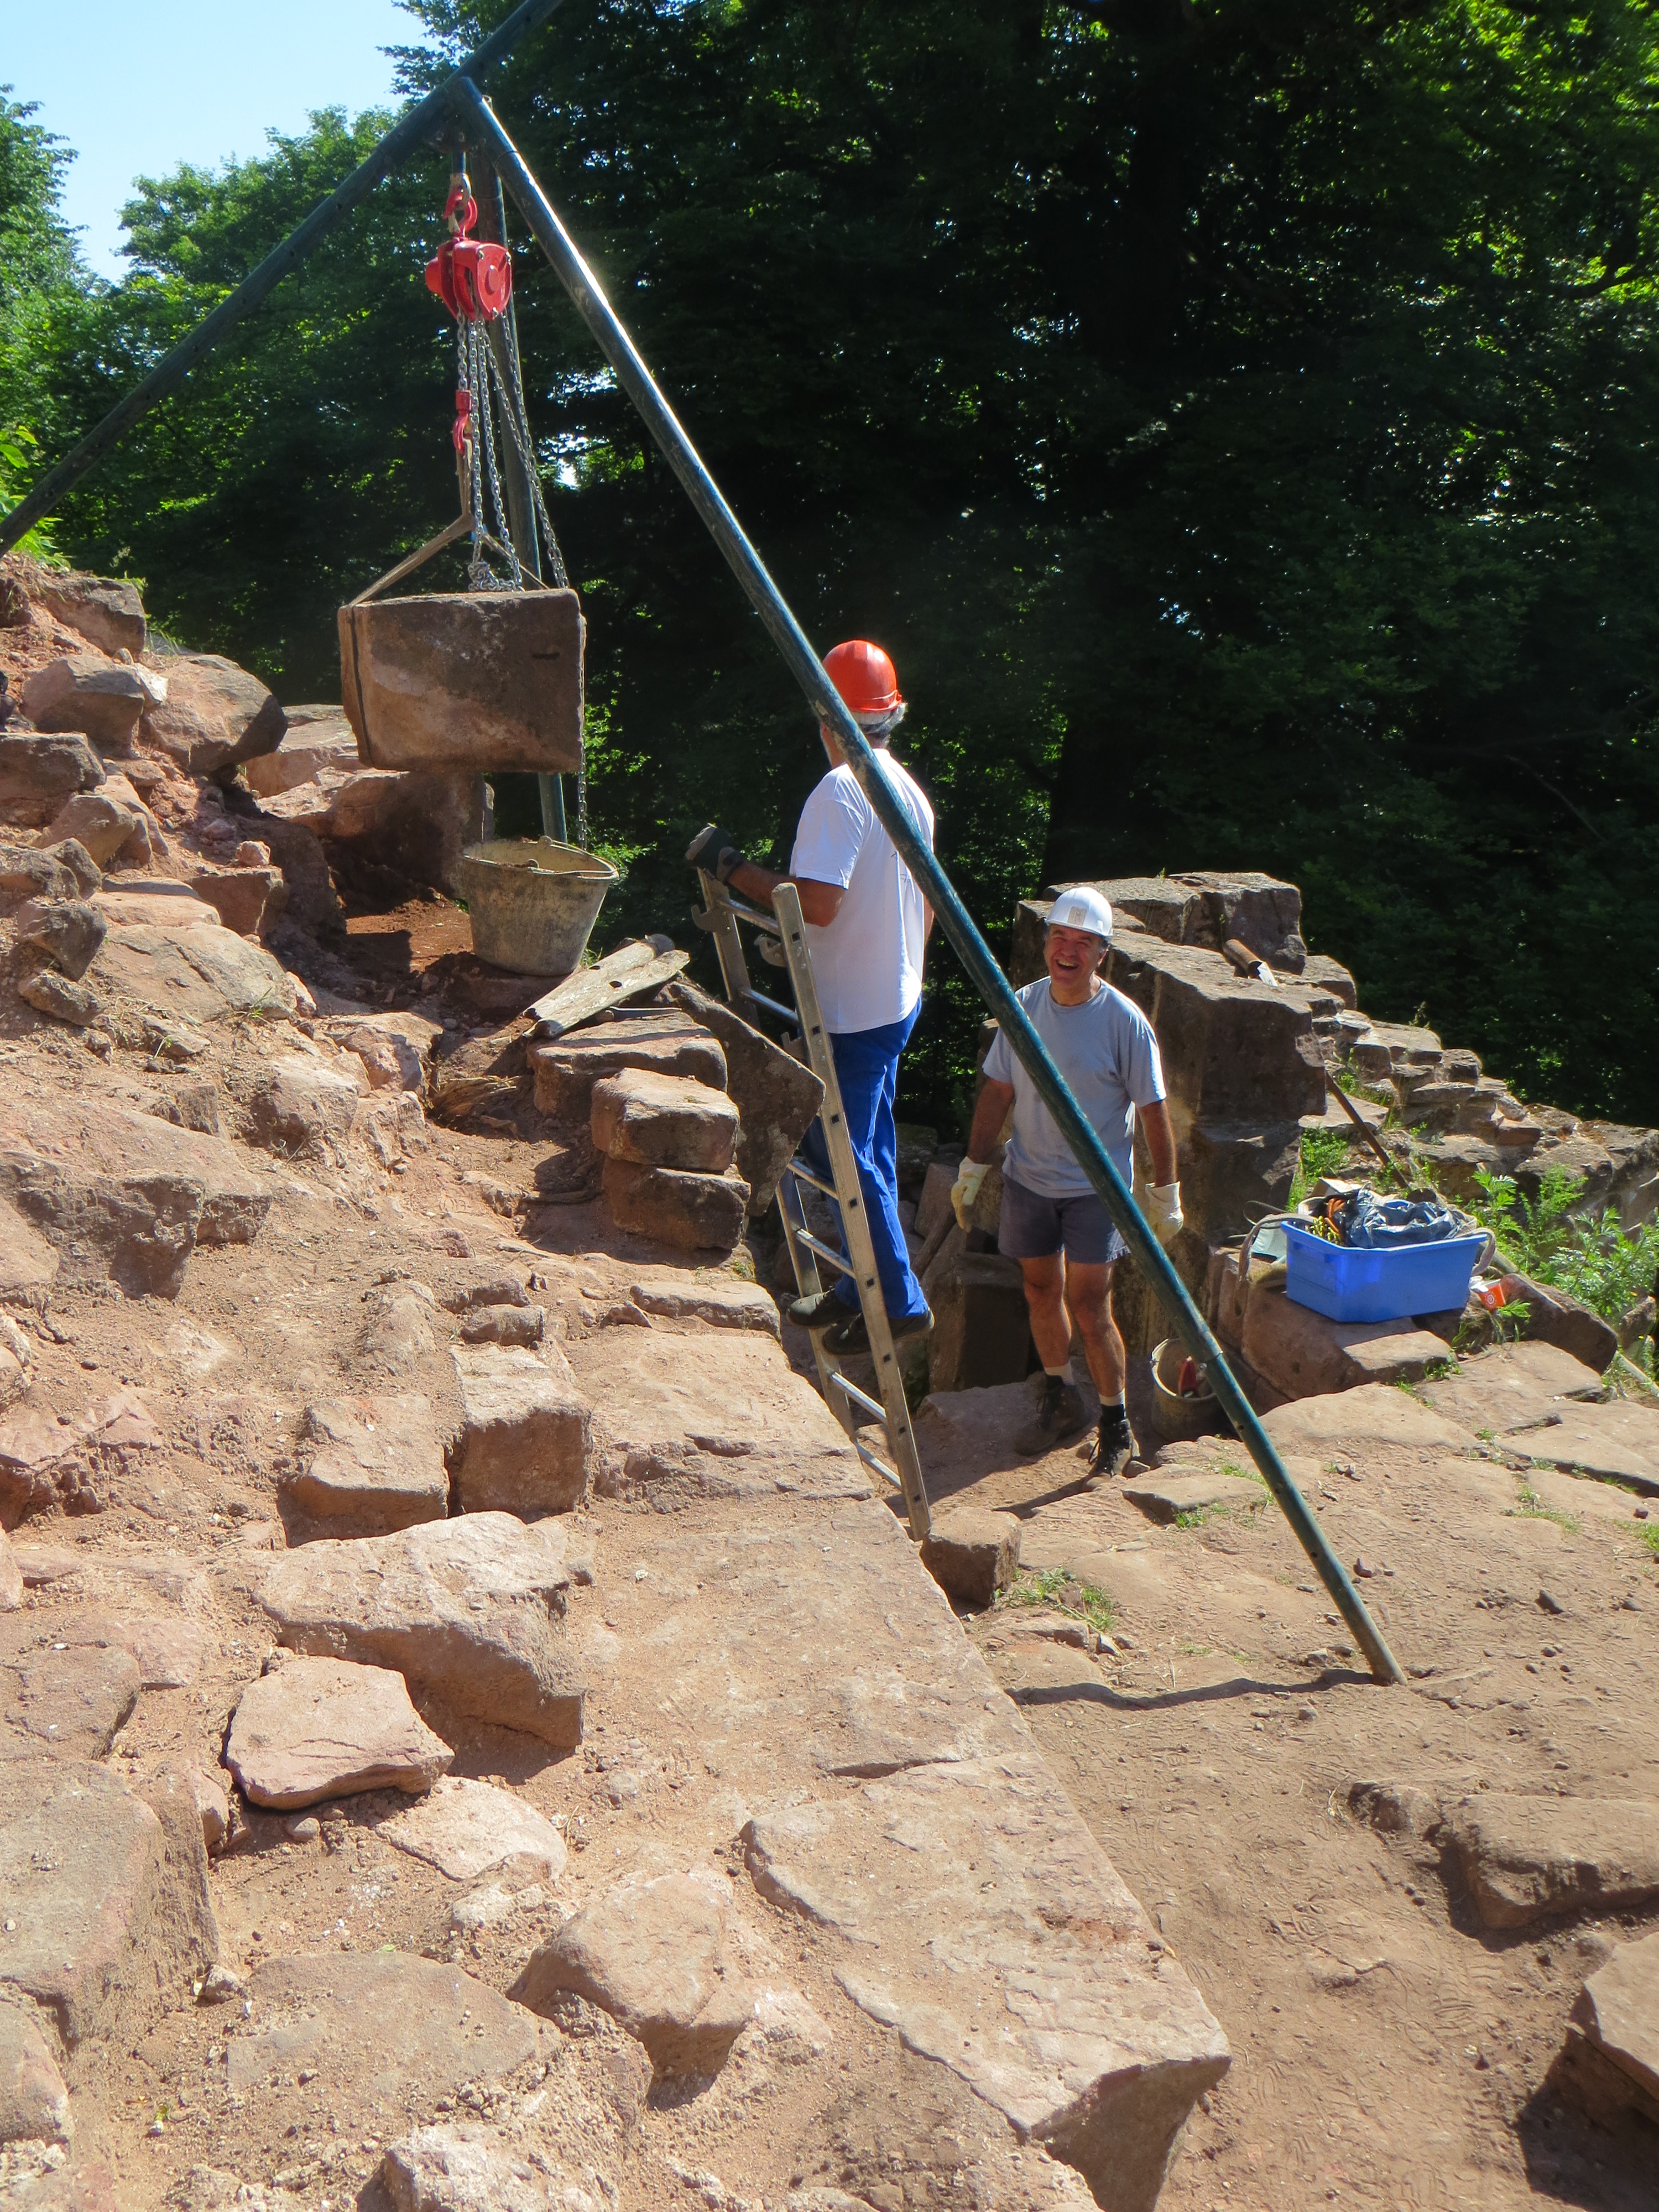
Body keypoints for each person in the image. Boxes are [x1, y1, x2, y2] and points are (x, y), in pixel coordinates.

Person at [685, 639, 935, 1355]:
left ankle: (900, 1302)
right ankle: (862, 1286)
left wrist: (732, 868)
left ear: (826, 718)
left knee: (843, 1154)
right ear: (890, 714)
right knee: (871, 1147)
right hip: (894, 998)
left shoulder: (841, 791)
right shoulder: (908, 791)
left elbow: (816, 905)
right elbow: (924, 903)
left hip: (855, 1011)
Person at [951, 886, 1182, 1476]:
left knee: (1090, 1303)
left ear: (1103, 954)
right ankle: (1060, 1395)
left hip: (1094, 1188)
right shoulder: (1023, 1007)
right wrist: (974, 1166)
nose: (1068, 951)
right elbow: (997, 1091)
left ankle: (1116, 1423)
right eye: (1060, 936)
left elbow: (1153, 1111)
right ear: (1047, 942)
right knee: (1038, 1290)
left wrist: (1166, 1193)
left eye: (1084, 942)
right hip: (1029, 1177)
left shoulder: (1124, 1023)